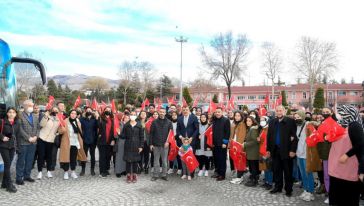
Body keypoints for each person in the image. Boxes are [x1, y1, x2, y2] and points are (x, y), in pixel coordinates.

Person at [328, 105, 364, 205]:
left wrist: (347, 155)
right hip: (336, 168)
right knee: (337, 199)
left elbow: (361, 144)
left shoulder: (354, 125)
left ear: (347, 113)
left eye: (339, 113)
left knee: (349, 199)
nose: (337, 115)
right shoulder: (339, 125)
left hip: (348, 168)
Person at [267, 105, 298, 197]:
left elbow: (294, 137)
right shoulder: (272, 122)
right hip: (275, 150)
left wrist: (293, 150)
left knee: (288, 171)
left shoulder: (290, 121)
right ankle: (278, 187)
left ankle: (289, 189)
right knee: (277, 170)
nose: (279, 112)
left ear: (284, 111)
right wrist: (268, 149)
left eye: (280, 110)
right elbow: (269, 137)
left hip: (287, 150)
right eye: (277, 111)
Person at [16, 100, 40, 185]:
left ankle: (27, 175)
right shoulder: (20, 116)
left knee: (30, 160)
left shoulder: (34, 116)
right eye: (30, 105)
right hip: (23, 142)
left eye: (32, 106)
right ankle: (19, 178)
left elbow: (38, 128)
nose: (31, 107)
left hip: (33, 143)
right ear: (25, 106)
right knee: (21, 161)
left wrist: (36, 137)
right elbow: (19, 129)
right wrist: (28, 138)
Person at [59, 110, 87, 180]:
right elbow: (59, 131)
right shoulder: (65, 121)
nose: (73, 115)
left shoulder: (77, 122)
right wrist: (62, 129)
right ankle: (66, 172)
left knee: (73, 158)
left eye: (75, 114)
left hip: (75, 142)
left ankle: (73, 171)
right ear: (69, 114)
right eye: (72, 113)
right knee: (66, 157)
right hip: (67, 142)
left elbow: (80, 132)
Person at [294, 111, 315, 201]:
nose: (296, 118)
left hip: (307, 153)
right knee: (303, 174)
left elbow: (314, 137)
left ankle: (310, 192)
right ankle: (306, 190)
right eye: (295, 117)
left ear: (302, 116)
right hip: (299, 153)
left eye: (298, 117)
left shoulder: (308, 125)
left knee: (308, 173)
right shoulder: (297, 126)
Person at [0, 107, 21, 193]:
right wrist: (2, 137)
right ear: (7, 113)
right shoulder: (2, 121)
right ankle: (9, 184)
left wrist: (18, 147)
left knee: (8, 165)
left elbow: (18, 136)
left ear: (16, 114)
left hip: (12, 146)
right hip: (3, 146)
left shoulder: (17, 123)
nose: (11, 114)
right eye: (10, 112)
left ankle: (4, 183)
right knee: (8, 164)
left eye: (13, 112)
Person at [37, 107, 60, 180]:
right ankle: (39, 172)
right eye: (53, 110)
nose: (55, 111)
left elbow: (60, 130)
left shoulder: (59, 120)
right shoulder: (46, 116)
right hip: (42, 138)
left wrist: (56, 134)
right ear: (51, 111)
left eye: (56, 111)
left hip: (50, 140)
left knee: (49, 156)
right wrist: (45, 117)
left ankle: (48, 171)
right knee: (41, 155)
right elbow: (41, 125)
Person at [121, 111, 144, 183]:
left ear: (136, 116)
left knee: (135, 161)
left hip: (136, 145)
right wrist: (119, 134)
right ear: (130, 116)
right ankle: (128, 175)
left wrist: (141, 146)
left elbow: (142, 137)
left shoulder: (139, 125)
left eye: (134, 115)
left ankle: (134, 175)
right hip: (128, 144)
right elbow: (123, 136)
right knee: (128, 161)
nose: (133, 116)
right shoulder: (126, 125)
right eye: (131, 114)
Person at [150, 108, 173, 181]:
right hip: (156, 144)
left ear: (165, 113)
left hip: (165, 145)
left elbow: (171, 134)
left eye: (163, 112)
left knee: (164, 162)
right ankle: (155, 175)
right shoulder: (154, 122)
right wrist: (151, 144)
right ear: (159, 112)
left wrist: (168, 142)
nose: (162, 113)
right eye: (160, 112)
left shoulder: (169, 122)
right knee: (156, 161)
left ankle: (164, 174)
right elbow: (151, 134)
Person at [176, 106, 199, 177]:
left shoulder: (194, 118)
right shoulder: (179, 118)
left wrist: (192, 137)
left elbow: (197, 129)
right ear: (182, 111)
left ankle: (191, 173)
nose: (185, 111)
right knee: (183, 157)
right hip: (182, 142)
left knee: (191, 157)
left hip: (191, 141)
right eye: (184, 110)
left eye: (186, 110)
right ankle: (184, 173)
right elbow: (178, 129)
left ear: (189, 110)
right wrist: (180, 137)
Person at [316, 107, 333, 203]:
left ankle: (334, 194)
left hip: (334, 154)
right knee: (326, 175)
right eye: (324, 112)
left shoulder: (335, 124)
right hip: (324, 154)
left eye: (327, 112)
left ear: (331, 112)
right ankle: (329, 193)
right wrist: (321, 155)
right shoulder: (321, 125)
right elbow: (319, 141)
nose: (325, 113)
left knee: (334, 176)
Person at [211, 107, 230, 181]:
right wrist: (212, 142)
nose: (217, 113)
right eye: (216, 112)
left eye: (219, 112)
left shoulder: (226, 120)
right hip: (215, 144)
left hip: (222, 144)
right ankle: (218, 172)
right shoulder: (214, 120)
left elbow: (227, 132)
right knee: (216, 159)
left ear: (222, 112)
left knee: (222, 159)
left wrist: (225, 142)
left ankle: (222, 175)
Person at [79, 107, 98, 176]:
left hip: (93, 140)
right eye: (87, 110)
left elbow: (98, 127)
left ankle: (92, 170)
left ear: (92, 112)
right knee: (84, 155)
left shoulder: (94, 119)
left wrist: (97, 117)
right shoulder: (82, 119)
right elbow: (79, 128)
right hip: (85, 140)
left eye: (90, 110)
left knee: (92, 156)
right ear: (85, 111)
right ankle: (83, 169)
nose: (89, 111)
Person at [97, 107, 116, 178]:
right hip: (102, 141)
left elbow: (113, 130)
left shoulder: (112, 120)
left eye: (109, 110)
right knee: (102, 157)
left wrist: (113, 139)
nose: (108, 111)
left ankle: (106, 169)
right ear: (104, 111)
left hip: (109, 141)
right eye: (106, 110)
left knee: (108, 156)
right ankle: (102, 171)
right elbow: (98, 126)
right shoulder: (100, 118)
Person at [230, 111, 247, 185]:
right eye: (235, 115)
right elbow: (232, 135)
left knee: (240, 161)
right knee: (237, 161)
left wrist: (239, 147)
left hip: (238, 146)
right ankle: (239, 176)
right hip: (234, 145)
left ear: (241, 116)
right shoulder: (235, 124)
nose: (237, 117)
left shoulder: (242, 124)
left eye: (238, 116)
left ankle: (240, 177)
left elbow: (242, 137)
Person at [243, 116, 260, 187]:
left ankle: (254, 181)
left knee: (253, 167)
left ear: (253, 121)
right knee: (252, 166)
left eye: (249, 121)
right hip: (251, 151)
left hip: (253, 152)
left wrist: (245, 144)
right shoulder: (250, 128)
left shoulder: (253, 129)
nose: (248, 122)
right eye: (247, 121)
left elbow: (255, 141)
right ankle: (253, 179)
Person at [258, 116, 273, 190]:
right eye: (260, 120)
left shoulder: (269, 129)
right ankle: (266, 181)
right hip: (262, 151)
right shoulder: (263, 129)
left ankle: (269, 183)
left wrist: (267, 152)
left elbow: (267, 142)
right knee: (265, 168)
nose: (261, 121)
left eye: (263, 120)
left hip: (266, 152)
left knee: (268, 168)